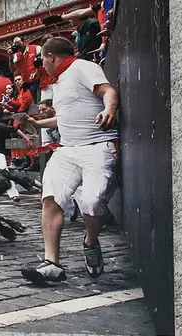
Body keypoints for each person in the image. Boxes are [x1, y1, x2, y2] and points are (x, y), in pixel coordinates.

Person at [21, 37, 119, 285]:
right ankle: (51, 263)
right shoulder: (60, 81)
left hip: (97, 147)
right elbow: (64, 118)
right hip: (67, 149)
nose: (42, 64)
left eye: (42, 59)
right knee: (51, 198)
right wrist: (36, 123)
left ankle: (90, 241)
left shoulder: (82, 67)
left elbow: (107, 90)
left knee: (93, 201)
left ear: (51, 56)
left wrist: (109, 110)